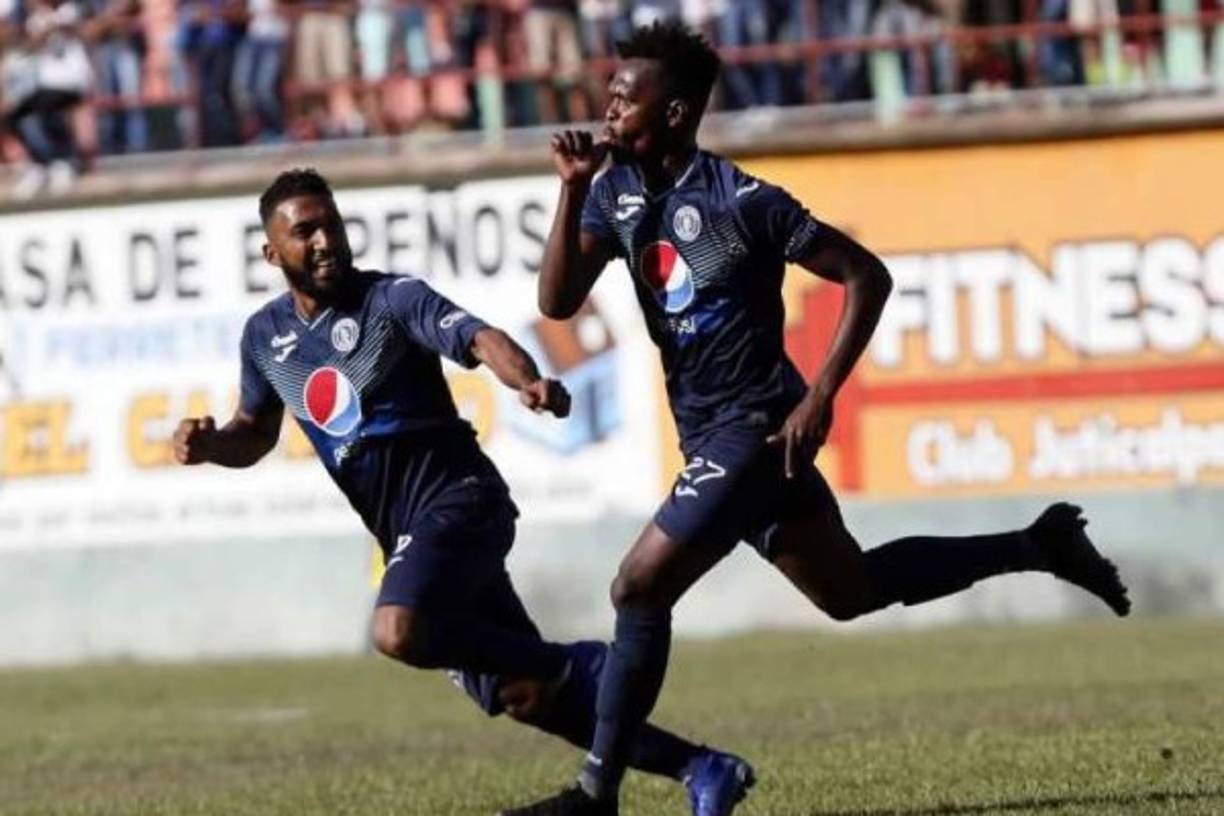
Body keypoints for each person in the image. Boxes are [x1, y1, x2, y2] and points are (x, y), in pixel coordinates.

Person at [502, 21, 1131, 816]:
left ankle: (598, 793)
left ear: (676, 112)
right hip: (712, 435)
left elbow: (866, 276)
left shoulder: (742, 200)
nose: (610, 105)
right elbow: (557, 301)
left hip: (758, 427)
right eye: (610, 91)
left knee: (638, 587)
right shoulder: (613, 190)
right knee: (849, 590)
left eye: (628, 95)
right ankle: (1038, 544)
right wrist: (570, 188)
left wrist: (820, 395)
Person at [171, 168, 756, 816]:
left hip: (461, 501)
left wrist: (527, 380)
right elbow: (254, 433)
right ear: (271, 251)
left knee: (397, 630)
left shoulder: (391, 299)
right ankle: (703, 768)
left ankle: (576, 662)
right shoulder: (264, 337)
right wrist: (210, 446)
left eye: (330, 224)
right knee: (526, 693)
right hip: (410, 535)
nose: (324, 241)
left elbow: (478, 338)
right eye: (304, 231)